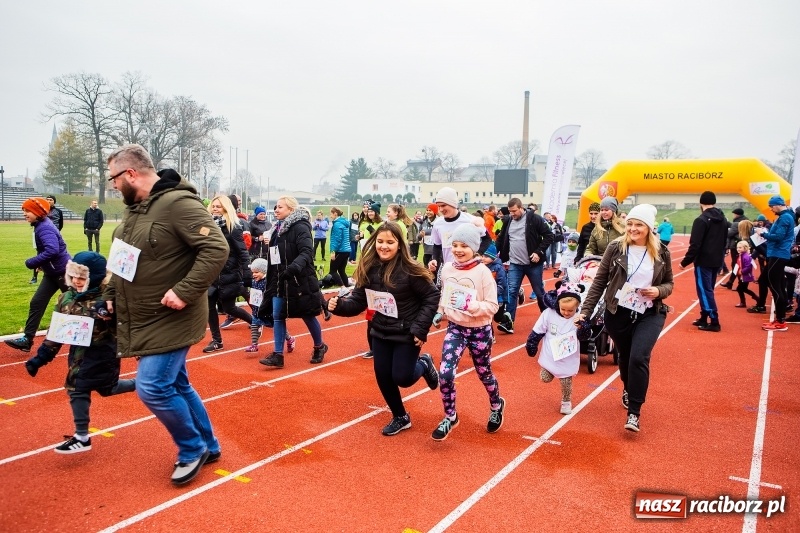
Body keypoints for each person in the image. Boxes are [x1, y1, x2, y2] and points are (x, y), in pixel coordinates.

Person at [103, 144, 227, 485]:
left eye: (114, 178)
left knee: (152, 387)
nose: (113, 185)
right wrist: (110, 295)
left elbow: (216, 248)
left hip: (173, 316)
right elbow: (122, 259)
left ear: (131, 173)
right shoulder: (134, 212)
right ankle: (209, 445)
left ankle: (192, 448)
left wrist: (184, 291)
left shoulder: (178, 204)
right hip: (144, 314)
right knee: (176, 383)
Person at [327, 221, 440, 436]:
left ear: (399, 244)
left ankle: (424, 364)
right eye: (380, 241)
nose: (384, 246)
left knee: (403, 378)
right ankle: (400, 416)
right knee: (383, 376)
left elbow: (432, 295)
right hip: (380, 330)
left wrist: (420, 328)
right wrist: (339, 306)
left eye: (390, 242)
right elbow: (358, 302)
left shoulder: (411, 270)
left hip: (407, 332)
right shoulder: (369, 267)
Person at [24, 252, 136, 454]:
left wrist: (138, 348)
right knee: (106, 389)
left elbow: (129, 326)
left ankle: (82, 437)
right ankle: (142, 383)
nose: (76, 281)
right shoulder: (66, 298)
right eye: (73, 276)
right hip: (77, 353)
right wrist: (40, 358)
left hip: (103, 353)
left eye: (82, 278)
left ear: (94, 278)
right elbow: (57, 332)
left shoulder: (109, 300)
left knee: (77, 387)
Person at [579, 204, 674, 432]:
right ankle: (628, 387)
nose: (632, 228)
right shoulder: (616, 248)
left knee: (639, 358)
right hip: (618, 312)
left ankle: (634, 412)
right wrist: (585, 311)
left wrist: (658, 291)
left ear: (649, 228)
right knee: (624, 358)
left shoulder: (662, 252)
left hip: (650, 312)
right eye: (630, 223)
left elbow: (669, 283)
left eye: (639, 224)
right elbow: (600, 281)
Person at [430, 223, 503, 441]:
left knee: (483, 372)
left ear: (474, 248)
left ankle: (496, 405)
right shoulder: (447, 269)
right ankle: (450, 416)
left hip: (479, 330)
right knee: (445, 373)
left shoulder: (483, 273)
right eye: (455, 245)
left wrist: (471, 306)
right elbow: (445, 295)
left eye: (464, 246)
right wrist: (440, 312)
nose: (458, 250)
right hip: (455, 328)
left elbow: (493, 306)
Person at [259, 196, 328, 369]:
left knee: (307, 314)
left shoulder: (300, 226)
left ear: (291, 209)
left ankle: (319, 346)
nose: (276, 210)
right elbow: (275, 255)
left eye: (280, 207)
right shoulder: (276, 229)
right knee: (277, 315)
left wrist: (293, 268)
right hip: (279, 279)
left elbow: (306, 252)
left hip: (298, 279)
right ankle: (278, 355)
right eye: (275, 206)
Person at [5, 197, 70, 353]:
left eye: (27, 211)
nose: (24, 214)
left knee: (77, 305)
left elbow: (52, 250)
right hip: (52, 273)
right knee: (37, 302)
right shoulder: (40, 225)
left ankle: (98, 337)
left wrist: (32, 262)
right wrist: (43, 264)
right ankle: (27, 340)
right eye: (24, 211)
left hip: (64, 273)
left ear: (38, 212)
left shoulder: (44, 228)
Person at [525, 282, 591, 415]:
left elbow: (585, 336)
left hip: (568, 356)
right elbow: (538, 330)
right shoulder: (548, 314)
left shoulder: (579, 317)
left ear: (577, 306)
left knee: (566, 380)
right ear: (558, 304)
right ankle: (551, 370)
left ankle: (566, 401)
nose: (566, 313)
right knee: (545, 378)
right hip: (551, 353)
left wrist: (582, 327)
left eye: (570, 310)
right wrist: (532, 344)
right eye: (563, 309)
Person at [494, 197, 554, 332]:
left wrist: (538, 252)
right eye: (510, 211)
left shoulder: (534, 219)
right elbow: (501, 239)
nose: (512, 214)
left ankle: (548, 320)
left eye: (514, 211)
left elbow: (549, 236)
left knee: (539, 292)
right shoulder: (508, 220)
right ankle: (509, 322)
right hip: (515, 263)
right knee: (511, 291)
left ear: (521, 208)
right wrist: (491, 253)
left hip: (533, 264)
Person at [202, 194, 253, 353]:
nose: (215, 209)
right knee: (209, 306)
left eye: (218, 206)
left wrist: (247, 272)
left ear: (226, 208)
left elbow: (243, 252)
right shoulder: (207, 226)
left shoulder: (234, 227)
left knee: (229, 308)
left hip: (228, 274)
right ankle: (217, 340)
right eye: (213, 206)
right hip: (211, 274)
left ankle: (254, 322)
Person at [679, 191, 728, 332]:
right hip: (716, 260)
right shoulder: (723, 219)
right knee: (708, 289)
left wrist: (685, 262)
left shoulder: (701, 220)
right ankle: (704, 316)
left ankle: (714, 321)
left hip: (704, 260)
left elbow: (695, 244)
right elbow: (724, 240)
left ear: (701, 202)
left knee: (705, 291)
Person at [428, 186, 491, 277]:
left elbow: (487, 239)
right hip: (449, 270)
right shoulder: (438, 223)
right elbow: (437, 246)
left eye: (443, 205)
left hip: (469, 270)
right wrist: (434, 259)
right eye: (439, 206)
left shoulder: (470, 220)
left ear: (453, 204)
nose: (441, 209)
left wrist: (478, 254)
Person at [754, 195, 795, 331]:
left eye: (772, 206)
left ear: (778, 205)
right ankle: (780, 318)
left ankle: (780, 320)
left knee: (775, 287)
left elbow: (778, 237)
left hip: (778, 254)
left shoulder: (785, 218)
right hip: (777, 253)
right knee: (773, 284)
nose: (771, 209)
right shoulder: (785, 217)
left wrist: (762, 234)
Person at [244, 258, 296, 354]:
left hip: (268, 310)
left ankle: (289, 338)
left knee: (277, 326)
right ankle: (254, 345)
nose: (254, 274)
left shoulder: (268, 283)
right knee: (254, 324)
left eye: (256, 272)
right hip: (257, 308)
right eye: (253, 272)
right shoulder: (254, 281)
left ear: (264, 272)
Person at [30, 195, 65, 284]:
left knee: (53, 254)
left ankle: (53, 273)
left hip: (53, 236)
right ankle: (34, 276)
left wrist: (55, 232)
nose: (49, 201)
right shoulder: (41, 211)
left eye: (51, 200)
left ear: (54, 202)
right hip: (40, 235)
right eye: (47, 200)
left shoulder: (58, 211)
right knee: (40, 254)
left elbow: (61, 224)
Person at [482, 243, 514, 333]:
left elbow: (502, 283)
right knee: (487, 316)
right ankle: (490, 335)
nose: (483, 258)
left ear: (493, 257)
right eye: (482, 256)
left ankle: (506, 318)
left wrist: (494, 294)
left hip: (499, 297)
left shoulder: (499, 268)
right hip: (486, 296)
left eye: (486, 256)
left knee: (497, 318)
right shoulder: (481, 267)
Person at [720, 208, 749, 289]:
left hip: (736, 246)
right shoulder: (746, 221)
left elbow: (729, 234)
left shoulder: (736, 223)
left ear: (736, 214)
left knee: (736, 265)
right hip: (744, 245)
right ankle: (731, 282)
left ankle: (740, 284)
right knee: (739, 265)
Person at [328, 207, 352, 287]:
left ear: (335, 214)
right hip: (346, 250)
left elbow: (336, 239)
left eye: (331, 214)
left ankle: (343, 287)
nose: (330, 216)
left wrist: (333, 251)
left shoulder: (337, 224)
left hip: (341, 250)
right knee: (341, 270)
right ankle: (346, 286)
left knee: (332, 271)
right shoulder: (344, 223)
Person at [733, 240, 758, 308]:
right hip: (742, 276)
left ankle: (754, 299)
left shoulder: (746, 256)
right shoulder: (741, 255)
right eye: (737, 247)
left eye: (740, 247)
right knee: (743, 289)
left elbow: (749, 267)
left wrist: (742, 271)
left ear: (745, 248)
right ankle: (753, 299)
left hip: (745, 276)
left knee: (740, 288)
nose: (738, 249)